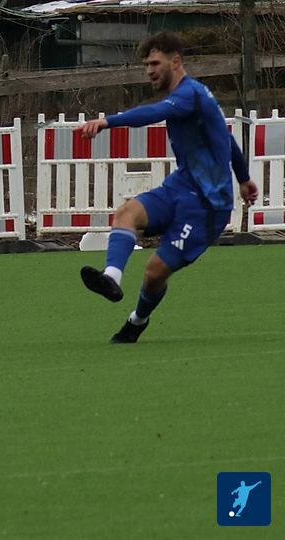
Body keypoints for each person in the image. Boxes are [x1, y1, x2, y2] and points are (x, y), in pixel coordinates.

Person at [75, 32, 258, 343]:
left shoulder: (190, 94)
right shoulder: (193, 98)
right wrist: (244, 178)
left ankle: (137, 320)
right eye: (147, 65)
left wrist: (107, 121)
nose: (149, 71)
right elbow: (226, 139)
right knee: (126, 213)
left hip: (207, 206)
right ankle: (111, 278)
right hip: (180, 187)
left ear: (176, 62)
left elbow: (154, 112)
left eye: (155, 63)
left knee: (154, 272)